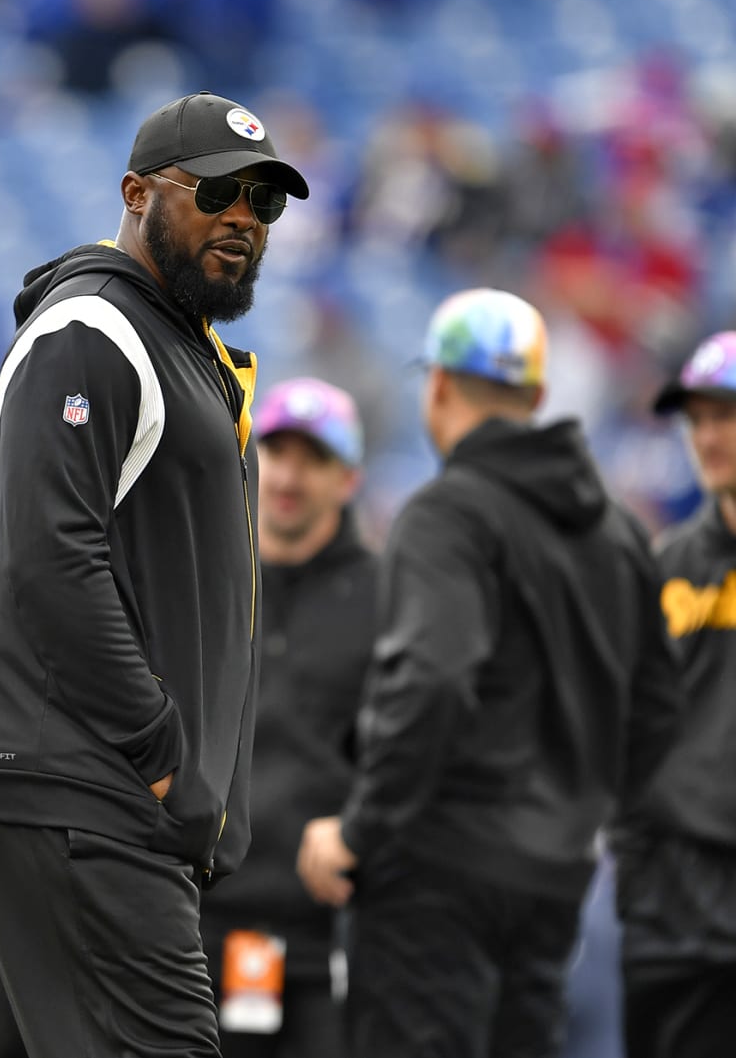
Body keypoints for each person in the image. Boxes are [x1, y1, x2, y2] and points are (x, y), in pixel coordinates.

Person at [0, 91, 311, 1056]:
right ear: (137, 192)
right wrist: (160, 746)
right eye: (219, 191)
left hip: (84, 785)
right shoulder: (91, 331)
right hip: (81, 781)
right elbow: (48, 557)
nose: (242, 219)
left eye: (263, 204)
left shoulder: (183, 351)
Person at [297, 288, 679, 1058]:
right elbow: (659, 709)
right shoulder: (619, 532)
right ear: (536, 396)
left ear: (436, 386)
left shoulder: (446, 514)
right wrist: (581, 823)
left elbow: (431, 677)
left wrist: (361, 828)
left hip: (433, 882)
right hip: (554, 881)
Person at [200, 377, 376, 1058]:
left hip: (325, 936)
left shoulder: (388, 597)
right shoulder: (203, 580)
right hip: (200, 927)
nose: (289, 474)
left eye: (314, 457)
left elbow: (407, 751)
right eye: (277, 451)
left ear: (349, 476)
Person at [616, 330, 736, 1058]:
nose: (709, 434)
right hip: (670, 920)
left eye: (726, 413)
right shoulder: (667, 567)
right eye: (697, 417)